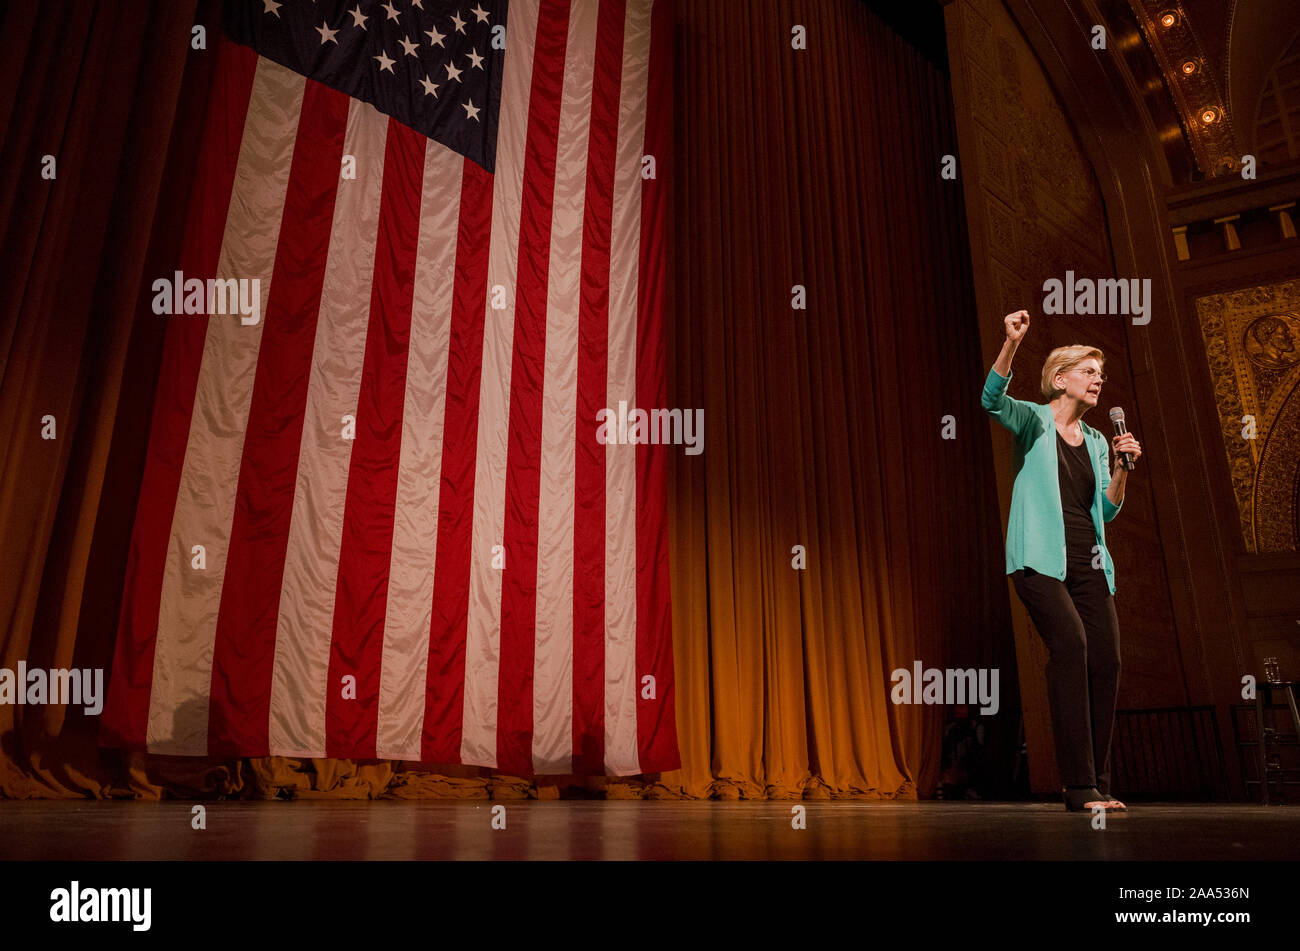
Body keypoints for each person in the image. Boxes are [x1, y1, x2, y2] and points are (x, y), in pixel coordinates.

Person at [980, 309, 1142, 814]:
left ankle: (1097, 781)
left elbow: (1108, 508)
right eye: (1089, 372)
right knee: (1070, 645)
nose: (1099, 380)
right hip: (1038, 559)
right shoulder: (1032, 418)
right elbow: (990, 401)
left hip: (1089, 560)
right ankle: (1077, 785)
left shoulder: (1096, 441)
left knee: (1107, 659)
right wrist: (1011, 343)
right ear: (1060, 378)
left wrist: (1120, 467)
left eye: (1101, 374)